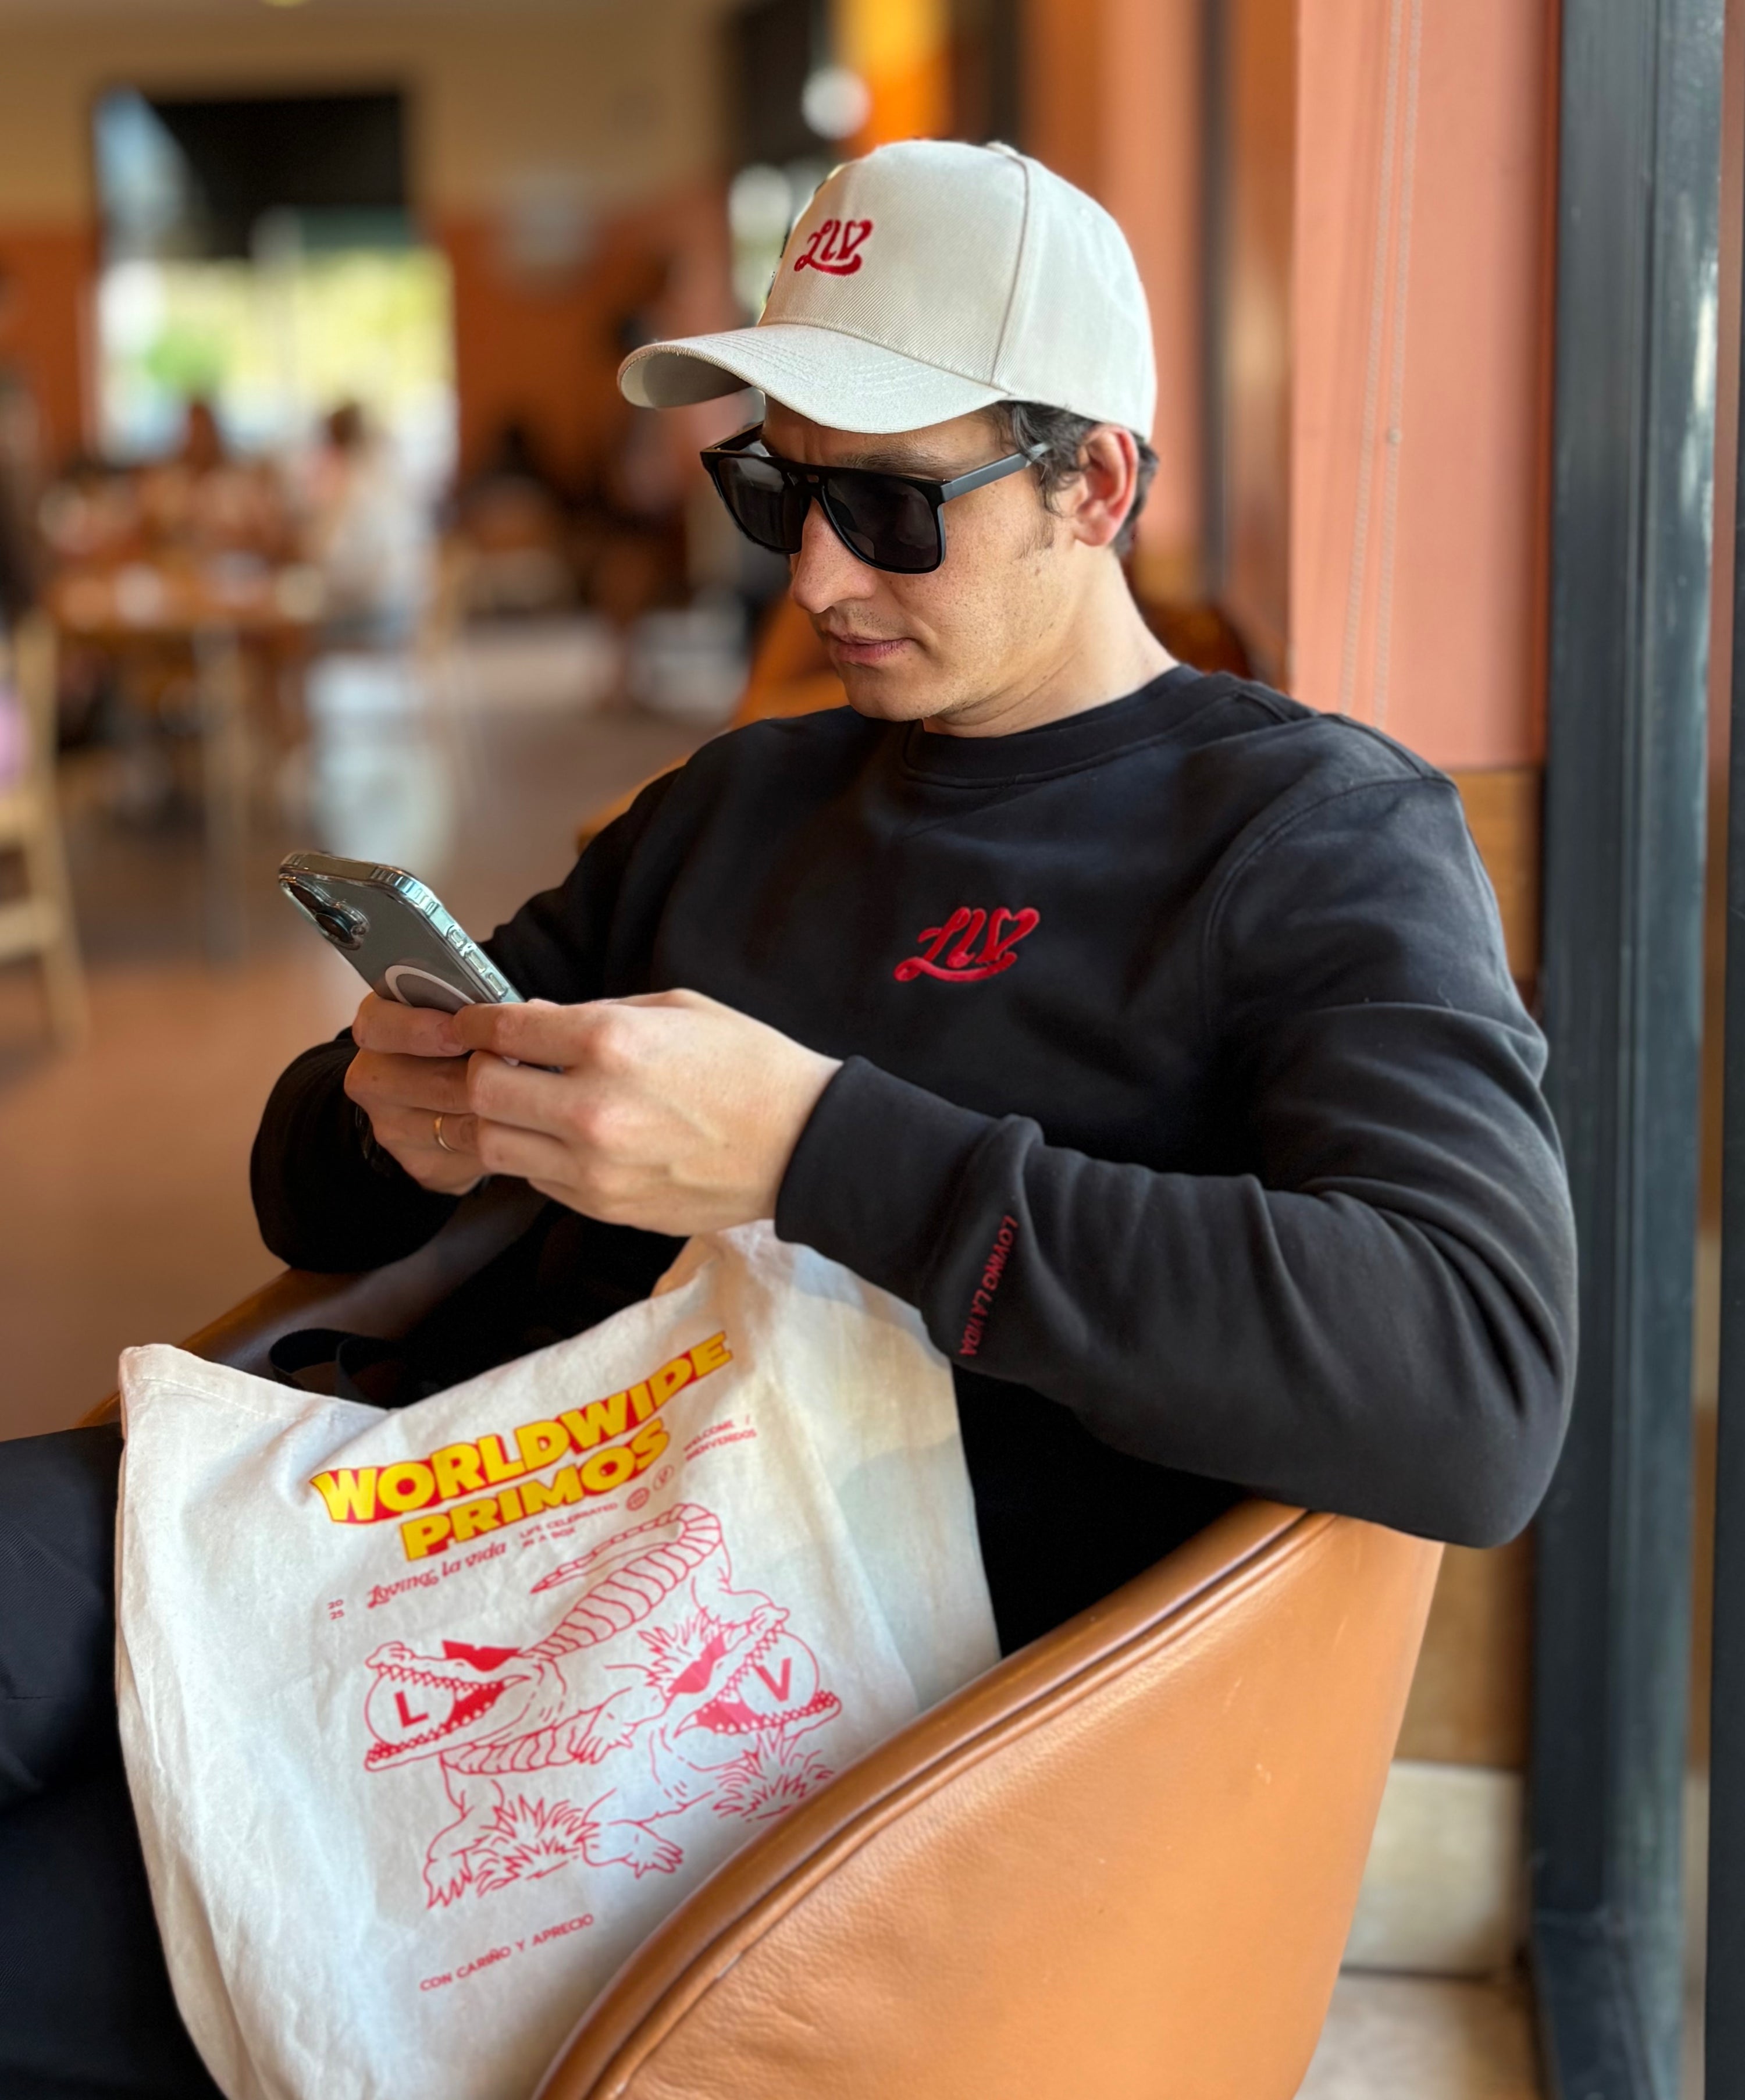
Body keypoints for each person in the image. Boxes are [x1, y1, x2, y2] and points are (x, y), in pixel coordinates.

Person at [0, 140, 1577, 2095]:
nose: (817, 574)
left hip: (782, 1713)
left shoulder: (1307, 834)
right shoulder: (736, 804)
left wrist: (816, 1150)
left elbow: (1478, 1376)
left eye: (893, 507)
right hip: (440, 1513)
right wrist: (386, 1119)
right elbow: (307, 1187)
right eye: (777, 486)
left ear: (1095, 483)